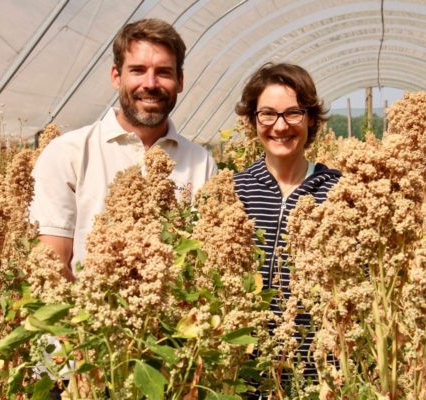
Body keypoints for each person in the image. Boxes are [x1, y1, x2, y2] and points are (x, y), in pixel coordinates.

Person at [30, 19, 217, 281]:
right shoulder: (68, 153)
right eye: (138, 71)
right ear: (116, 77)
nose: (150, 83)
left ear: (180, 80)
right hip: (88, 317)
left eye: (163, 72)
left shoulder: (201, 163)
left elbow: (206, 266)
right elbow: (51, 266)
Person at [233, 63, 341, 393]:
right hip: (246, 374)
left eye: (293, 113)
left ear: (311, 118)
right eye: (268, 114)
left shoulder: (337, 191)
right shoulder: (236, 190)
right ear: (254, 121)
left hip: (318, 375)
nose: (280, 127)